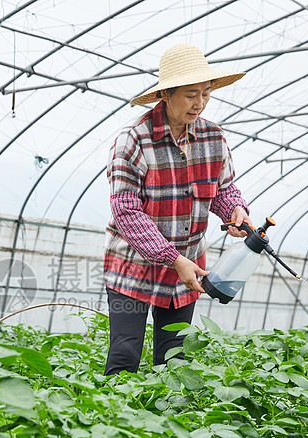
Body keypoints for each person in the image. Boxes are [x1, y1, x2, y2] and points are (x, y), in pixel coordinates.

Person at [103, 43, 253, 376]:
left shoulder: (213, 137)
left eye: (206, 93)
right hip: (133, 268)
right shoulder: (134, 139)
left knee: (173, 364)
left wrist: (235, 211)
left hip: (187, 270)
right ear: (166, 94)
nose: (199, 103)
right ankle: (114, 423)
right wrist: (173, 259)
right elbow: (126, 211)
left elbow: (223, 189)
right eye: (190, 95)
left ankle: (165, 427)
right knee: (124, 358)